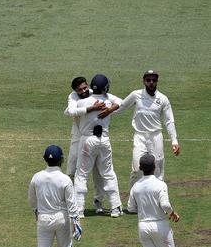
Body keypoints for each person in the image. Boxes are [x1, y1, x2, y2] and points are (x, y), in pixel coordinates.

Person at [127, 154, 181, 247]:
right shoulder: (160, 184)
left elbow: (130, 208)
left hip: (143, 226)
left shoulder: (136, 186)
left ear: (140, 168)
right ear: (155, 167)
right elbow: (164, 205)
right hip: (159, 224)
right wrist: (172, 213)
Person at [28, 145, 81, 247]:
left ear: (45, 159)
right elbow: (71, 203)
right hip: (61, 218)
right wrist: (76, 222)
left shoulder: (37, 177)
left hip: (43, 218)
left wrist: (36, 211)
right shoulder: (65, 179)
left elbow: (32, 199)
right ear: (61, 161)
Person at [116, 70, 180, 190]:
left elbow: (169, 120)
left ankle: (158, 199)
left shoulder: (163, 98)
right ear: (144, 81)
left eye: (154, 80)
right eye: (148, 80)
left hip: (156, 136)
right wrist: (106, 111)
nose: (151, 82)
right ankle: (133, 202)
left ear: (157, 81)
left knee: (158, 168)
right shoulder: (136, 95)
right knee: (136, 169)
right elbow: (122, 106)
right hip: (139, 136)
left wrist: (174, 141)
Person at [73, 74, 123, 218]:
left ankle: (79, 209)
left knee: (82, 174)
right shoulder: (108, 102)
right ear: (105, 88)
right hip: (104, 141)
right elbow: (121, 102)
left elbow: (71, 111)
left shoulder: (82, 103)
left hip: (87, 140)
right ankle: (115, 208)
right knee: (108, 173)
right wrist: (110, 109)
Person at [64, 76, 107, 214]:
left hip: (94, 137)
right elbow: (70, 111)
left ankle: (98, 202)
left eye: (84, 88)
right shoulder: (73, 96)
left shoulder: (95, 92)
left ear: (87, 85)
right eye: (79, 90)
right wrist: (92, 108)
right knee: (71, 170)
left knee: (97, 171)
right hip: (77, 137)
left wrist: (110, 109)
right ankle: (69, 202)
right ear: (75, 90)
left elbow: (116, 101)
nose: (83, 91)